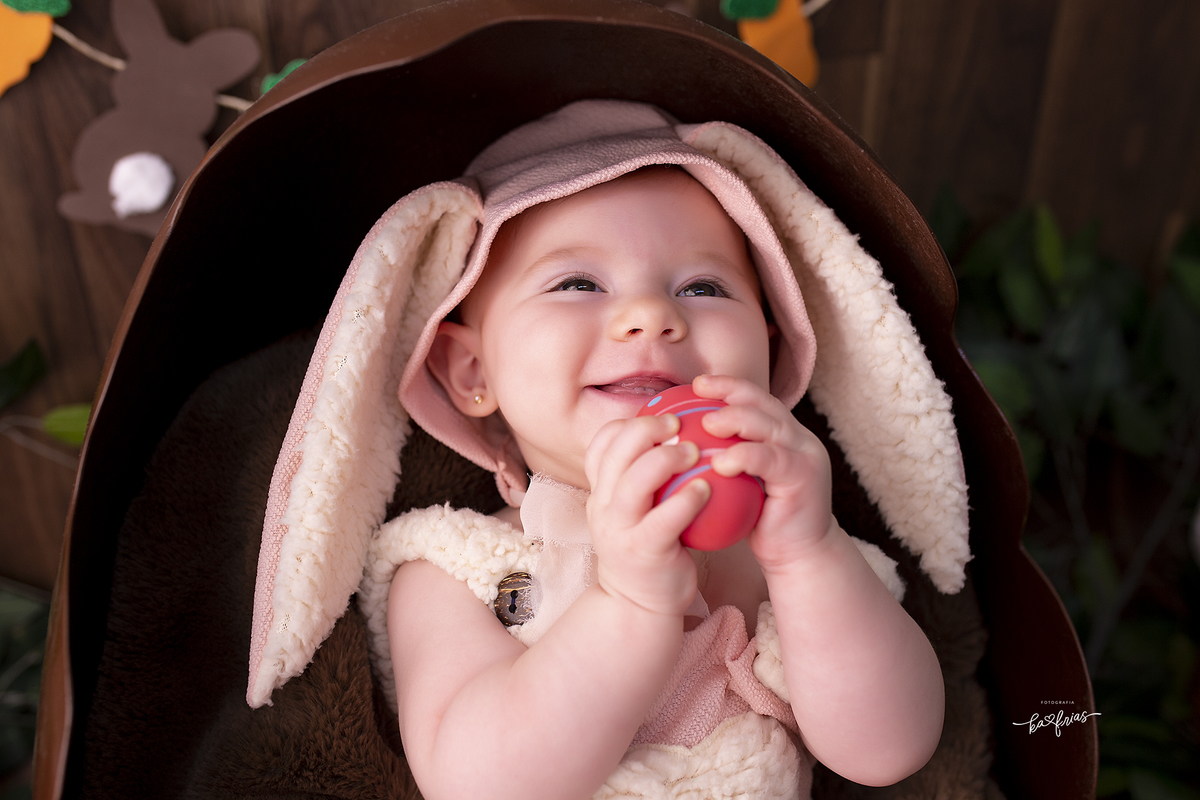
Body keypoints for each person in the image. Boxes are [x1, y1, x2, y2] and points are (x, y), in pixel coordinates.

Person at [379, 102, 946, 799]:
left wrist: (810, 553)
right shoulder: (458, 573)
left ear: (769, 355)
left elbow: (891, 750)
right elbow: (478, 786)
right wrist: (629, 605)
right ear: (473, 374)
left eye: (702, 288)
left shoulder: (789, 560)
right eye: (578, 283)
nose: (651, 315)